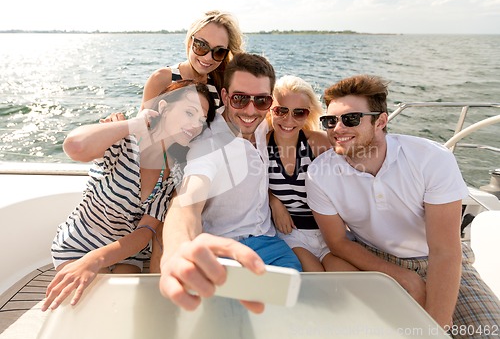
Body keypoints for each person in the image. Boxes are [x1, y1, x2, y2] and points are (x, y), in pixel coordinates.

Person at [305, 74, 500, 334]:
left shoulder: (431, 160)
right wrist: (401, 275)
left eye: (350, 119)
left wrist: (434, 327)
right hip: (375, 258)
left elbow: (445, 250)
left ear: (381, 121)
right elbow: (338, 243)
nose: (337, 129)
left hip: (441, 260)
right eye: (330, 121)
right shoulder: (320, 174)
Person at [42, 81, 216, 311]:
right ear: (163, 107)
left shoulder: (174, 173)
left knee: (123, 307)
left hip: (125, 252)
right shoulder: (124, 141)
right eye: (189, 112)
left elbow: (144, 232)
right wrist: (134, 123)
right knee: (94, 303)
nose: (195, 125)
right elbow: (75, 146)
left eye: (201, 120)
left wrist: (97, 260)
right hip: (81, 243)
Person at [159, 53, 302, 312]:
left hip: (270, 241)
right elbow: (186, 202)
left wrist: (272, 198)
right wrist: (176, 249)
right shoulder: (208, 146)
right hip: (224, 248)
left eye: (261, 100)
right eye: (239, 98)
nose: (250, 109)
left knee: (295, 304)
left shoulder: (259, 125)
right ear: (225, 97)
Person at [267, 75, 357, 272]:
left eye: (298, 113)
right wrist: (273, 199)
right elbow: (250, 183)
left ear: (308, 115)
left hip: (329, 232)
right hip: (292, 235)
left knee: (346, 279)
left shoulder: (319, 144)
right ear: (270, 110)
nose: (288, 120)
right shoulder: (262, 146)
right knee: (317, 279)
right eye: (281, 110)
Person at [141, 10, 244, 110]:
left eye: (219, 52)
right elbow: (142, 125)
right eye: (201, 45)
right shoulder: (162, 79)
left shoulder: (219, 85)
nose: (208, 57)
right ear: (190, 42)